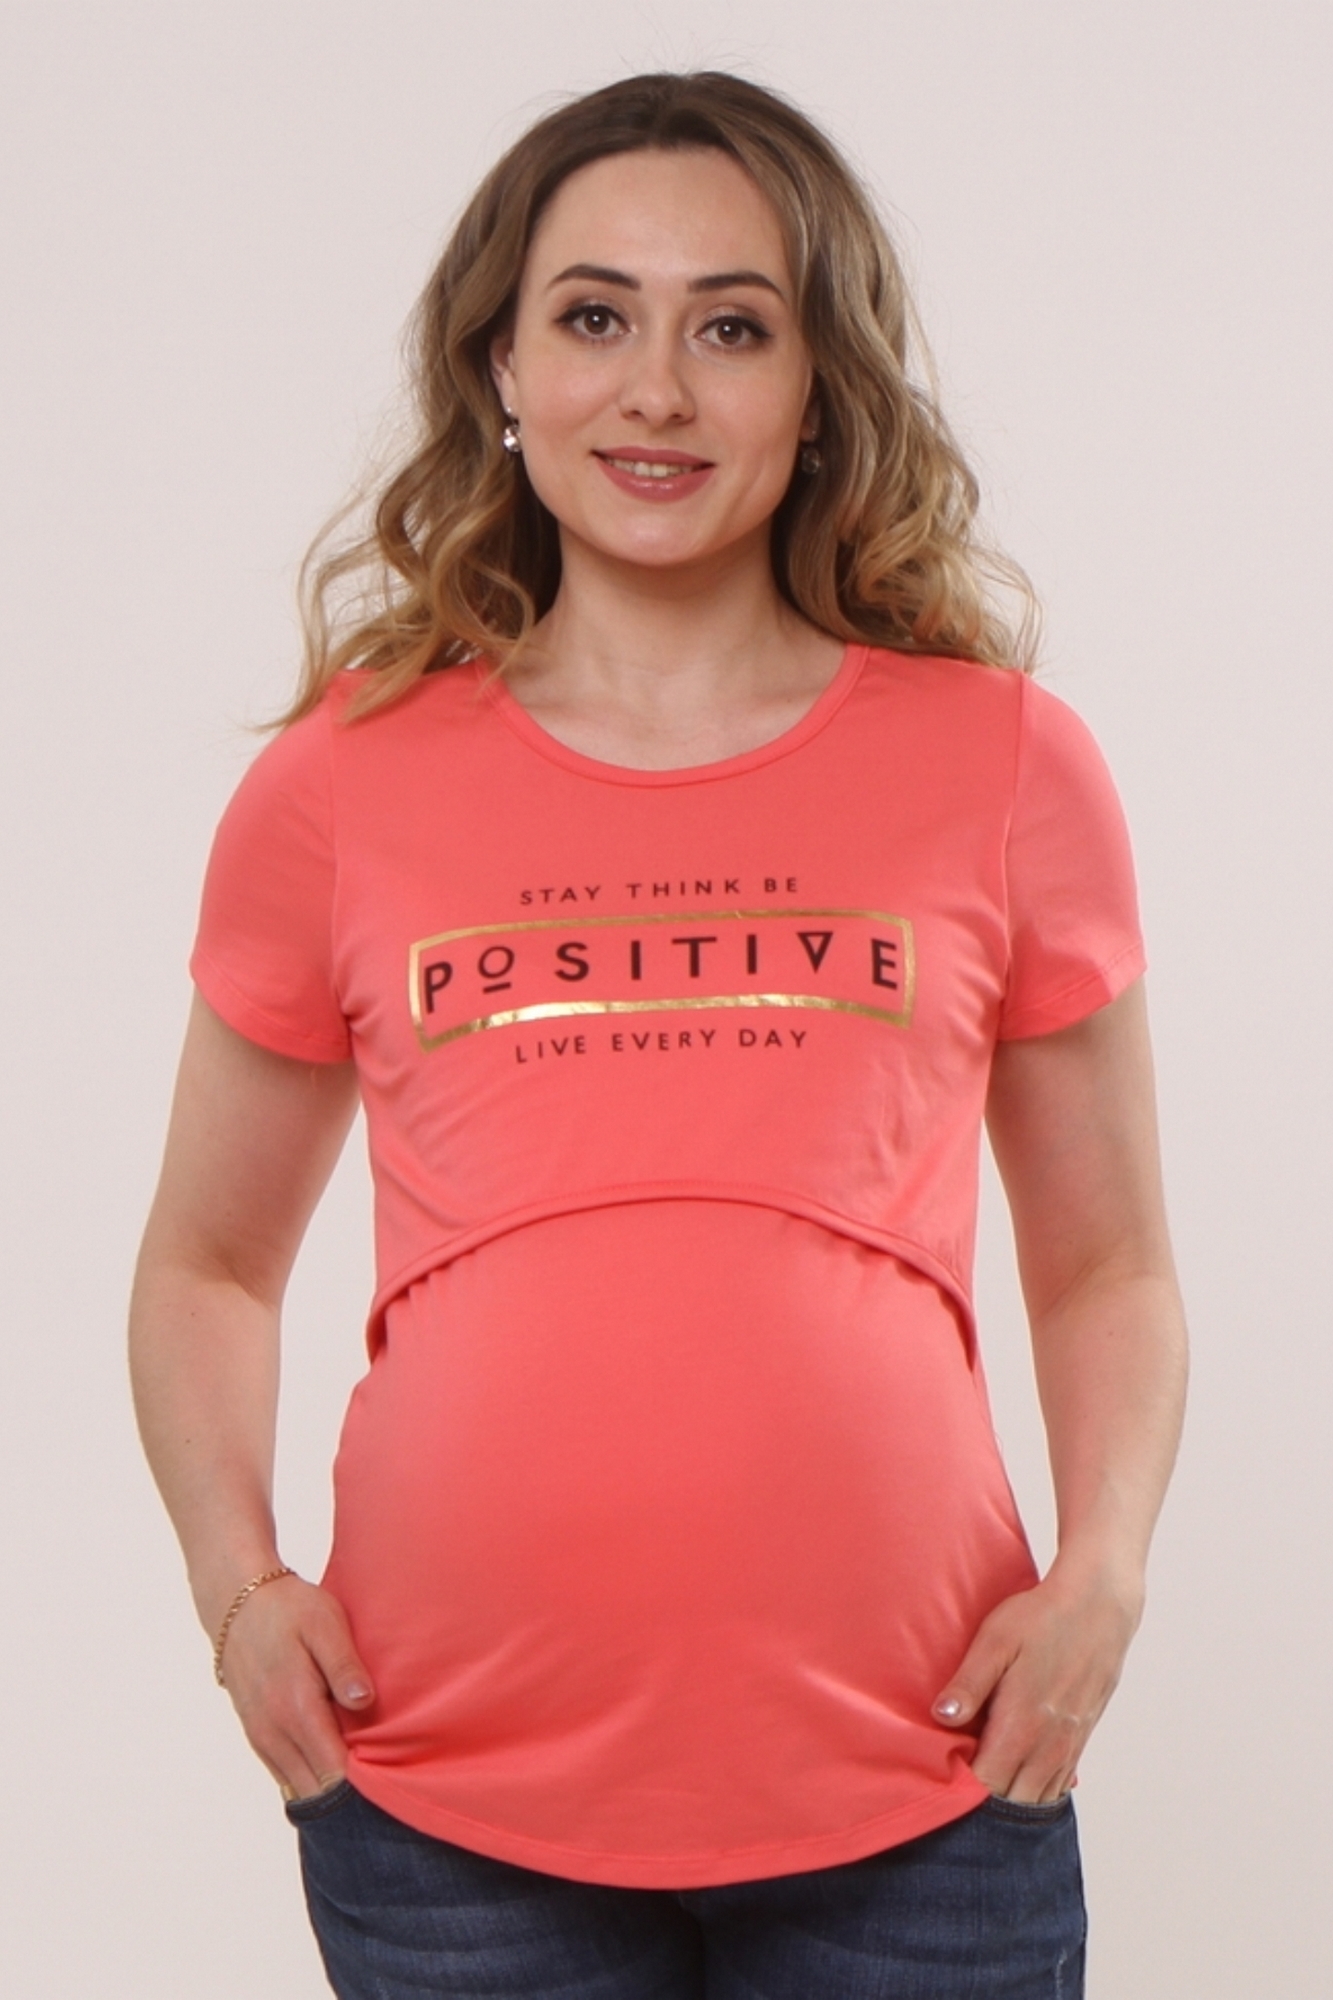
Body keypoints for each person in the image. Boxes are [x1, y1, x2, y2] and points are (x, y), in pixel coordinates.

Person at [129, 69, 1187, 2000]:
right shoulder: (340, 783)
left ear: (820, 382)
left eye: (732, 328)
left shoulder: (1003, 765)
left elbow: (1106, 1261)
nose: (656, 391)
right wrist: (238, 1590)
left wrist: (1100, 1579)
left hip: (931, 1778)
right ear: (502, 369)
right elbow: (207, 1261)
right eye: (594, 316)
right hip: (441, 1800)